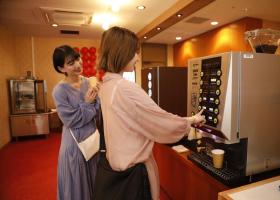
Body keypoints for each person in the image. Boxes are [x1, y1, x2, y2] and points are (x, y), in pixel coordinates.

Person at [96, 26, 206, 200]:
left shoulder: (106, 85)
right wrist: (190, 120)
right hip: (133, 175)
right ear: (122, 52)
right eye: (134, 52)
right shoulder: (124, 88)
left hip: (113, 168)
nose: (138, 57)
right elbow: (161, 122)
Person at [52, 45, 100, 200]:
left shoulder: (89, 82)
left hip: (93, 141)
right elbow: (72, 120)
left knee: (95, 183)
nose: (78, 65)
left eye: (78, 59)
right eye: (71, 63)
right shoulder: (59, 91)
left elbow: (98, 109)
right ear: (61, 68)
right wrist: (87, 104)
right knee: (77, 188)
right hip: (74, 146)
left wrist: (91, 106)